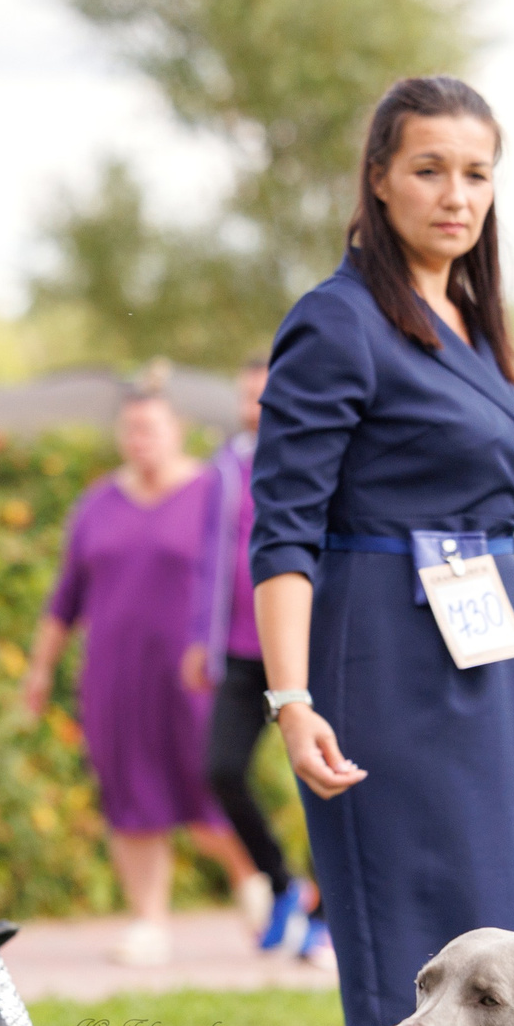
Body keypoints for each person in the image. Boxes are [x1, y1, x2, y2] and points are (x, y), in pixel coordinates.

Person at [247, 75, 514, 1026]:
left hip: (483, 671)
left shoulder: (475, 327)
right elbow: (283, 528)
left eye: (477, 173)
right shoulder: (338, 322)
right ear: (379, 179)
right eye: (429, 170)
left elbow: (484, 532)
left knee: (507, 949)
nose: (456, 194)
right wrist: (291, 700)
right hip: (385, 661)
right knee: (425, 956)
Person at [23, 376, 260, 967]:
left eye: (151, 427)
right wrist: (39, 671)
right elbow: (64, 599)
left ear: (177, 431)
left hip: (196, 673)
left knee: (209, 787)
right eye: (130, 429)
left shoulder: (215, 492)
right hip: (115, 675)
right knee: (130, 797)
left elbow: (245, 581)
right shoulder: (98, 502)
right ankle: (148, 920)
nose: (140, 440)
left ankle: (260, 885)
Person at [183, 357, 333, 964]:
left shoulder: (321, 461)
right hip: (242, 652)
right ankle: (280, 883)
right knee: (220, 769)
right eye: (248, 399)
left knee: (325, 780)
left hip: (309, 651)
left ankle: (323, 918)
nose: (257, 411)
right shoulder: (223, 470)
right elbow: (206, 561)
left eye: (267, 399)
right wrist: (200, 637)